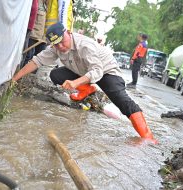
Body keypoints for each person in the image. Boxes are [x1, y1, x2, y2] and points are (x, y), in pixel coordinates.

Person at [12, 22, 156, 142]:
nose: (60, 47)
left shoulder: (85, 45)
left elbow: (97, 71)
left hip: (106, 72)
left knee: (122, 101)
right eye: (56, 45)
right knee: (55, 75)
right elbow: (37, 61)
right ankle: (87, 89)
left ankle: (147, 137)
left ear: (68, 32)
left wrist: (75, 83)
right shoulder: (56, 48)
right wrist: (14, 79)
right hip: (83, 71)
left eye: (62, 41)